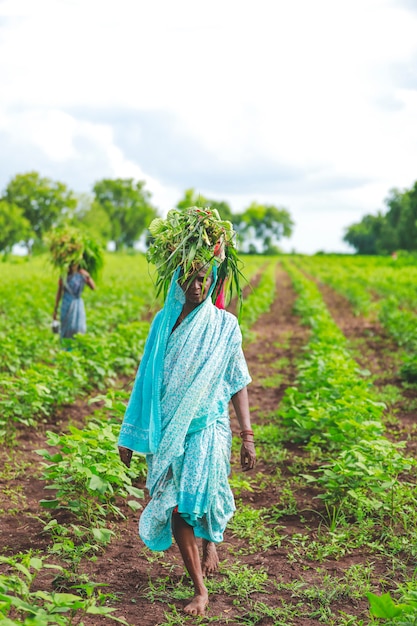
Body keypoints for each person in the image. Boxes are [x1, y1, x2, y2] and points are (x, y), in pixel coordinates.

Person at [118, 263, 256, 616]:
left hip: (208, 427)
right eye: (188, 279)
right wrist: (130, 434)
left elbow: (237, 380)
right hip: (169, 430)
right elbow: (145, 378)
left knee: (200, 496)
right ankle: (201, 584)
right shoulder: (164, 322)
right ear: (176, 280)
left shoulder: (224, 326)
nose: (195, 287)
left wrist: (247, 435)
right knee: (179, 503)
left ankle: (207, 556)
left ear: (212, 282)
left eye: (202, 279)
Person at [53, 264, 95, 339]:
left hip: (78, 305)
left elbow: (93, 287)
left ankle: (77, 346)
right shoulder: (64, 275)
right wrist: (55, 309)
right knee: (66, 327)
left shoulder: (82, 274)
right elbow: (59, 292)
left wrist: (88, 276)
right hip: (66, 305)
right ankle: (65, 348)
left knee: (79, 327)